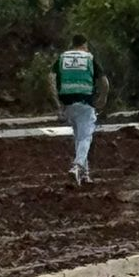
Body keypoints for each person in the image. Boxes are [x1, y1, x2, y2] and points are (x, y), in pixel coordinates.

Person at [50, 34, 110, 185]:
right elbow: (104, 82)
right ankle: (77, 166)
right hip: (85, 102)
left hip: (68, 104)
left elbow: (50, 79)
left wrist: (57, 103)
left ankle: (84, 175)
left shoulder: (62, 58)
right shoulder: (89, 58)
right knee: (86, 137)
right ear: (84, 45)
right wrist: (103, 98)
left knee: (79, 137)